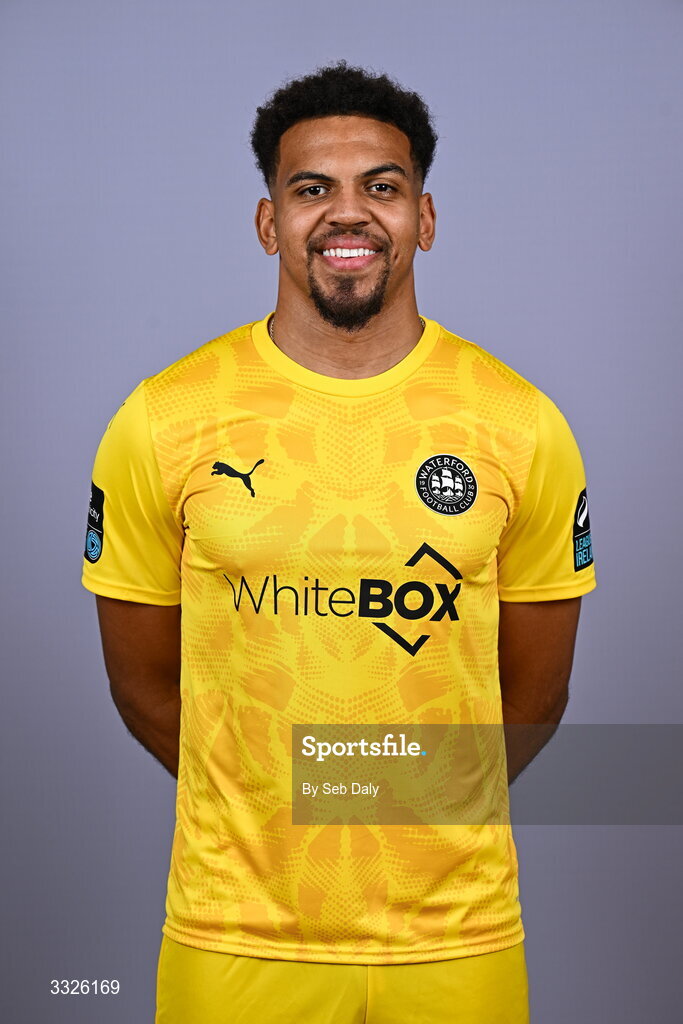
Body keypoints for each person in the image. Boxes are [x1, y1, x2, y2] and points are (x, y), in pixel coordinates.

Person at [81, 60, 596, 1024]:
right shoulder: (163, 419)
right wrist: (266, 803)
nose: (346, 213)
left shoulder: (519, 424)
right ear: (269, 222)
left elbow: (535, 690)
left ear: (424, 220)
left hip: (457, 936)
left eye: (382, 187)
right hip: (233, 934)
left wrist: (402, 803)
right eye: (311, 188)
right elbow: (142, 680)